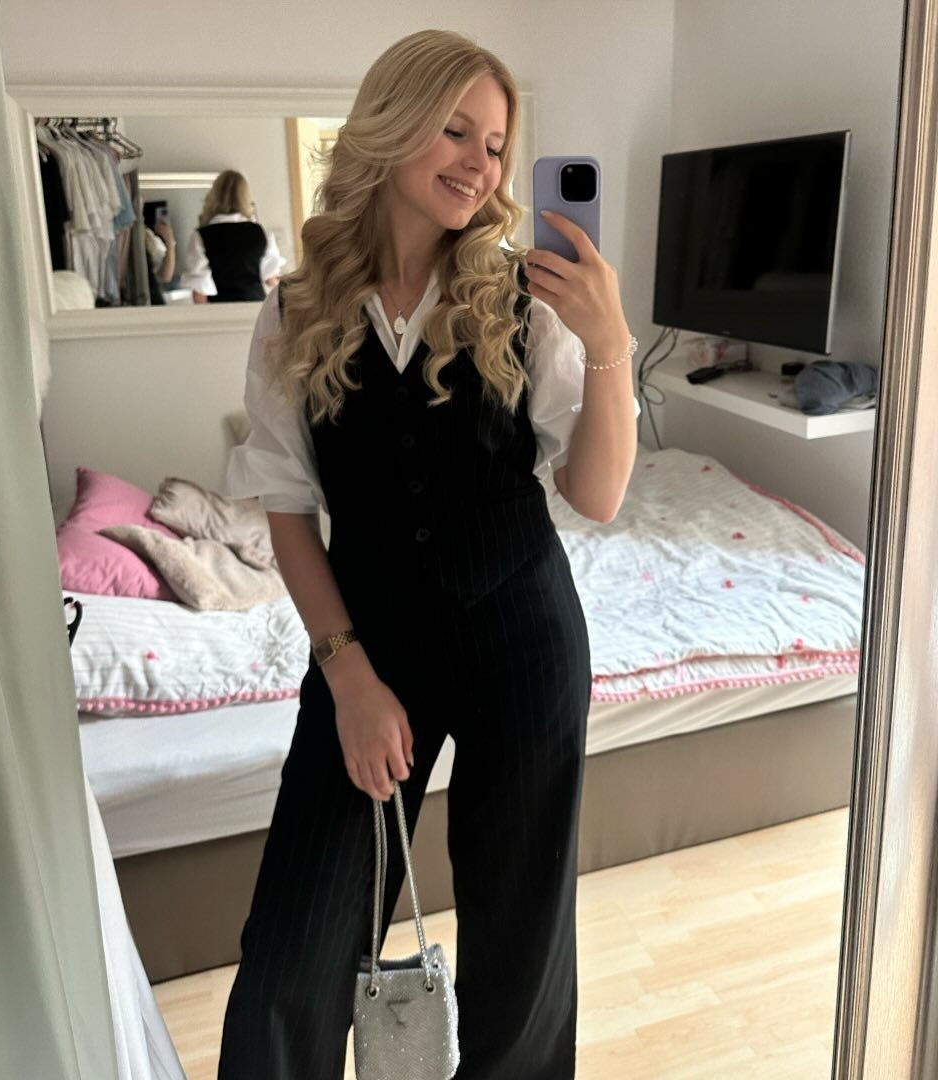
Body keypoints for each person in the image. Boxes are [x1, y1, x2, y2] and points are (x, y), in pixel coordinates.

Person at [218, 28, 637, 1080]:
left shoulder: (525, 299)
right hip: (370, 646)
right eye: (455, 131)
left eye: (495, 145)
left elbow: (596, 494)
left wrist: (611, 347)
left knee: (520, 957)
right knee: (291, 960)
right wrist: (348, 676)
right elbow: (286, 509)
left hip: (523, 640)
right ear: (391, 123)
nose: (479, 165)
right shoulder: (294, 310)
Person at [182, 169, 285, 303]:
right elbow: (271, 280)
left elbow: (199, 292)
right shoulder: (261, 232)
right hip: (256, 306)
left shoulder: (201, 236)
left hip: (220, 308)